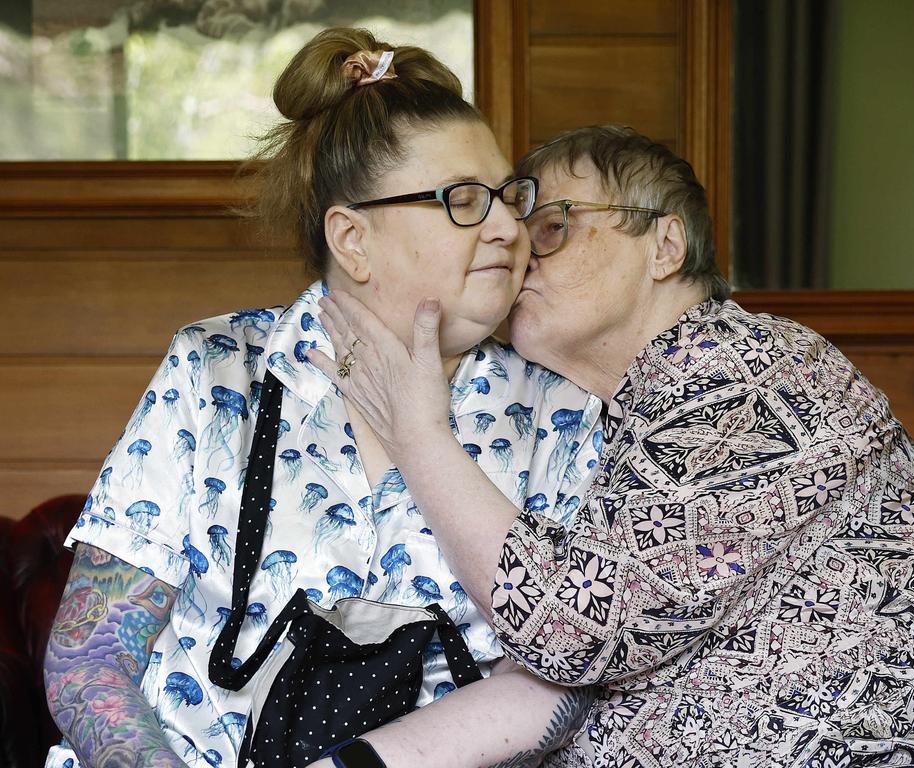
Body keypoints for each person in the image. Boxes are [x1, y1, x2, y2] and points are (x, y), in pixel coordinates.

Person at [310, 124, 914, 766]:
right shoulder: (625, 414)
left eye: (553, 227)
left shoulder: (753, 373)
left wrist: (418, 432)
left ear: (666, 246)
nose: (521, 255)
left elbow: (572, 624)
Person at [43, 29, 604, 768]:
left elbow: (569, 676)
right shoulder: (218, 373)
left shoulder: (560, 416)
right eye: (463, 200)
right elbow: (91, 657)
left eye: (510, 197)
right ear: (353, 238)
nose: (508, 226)